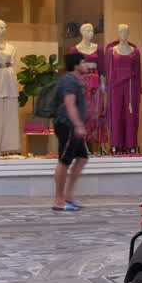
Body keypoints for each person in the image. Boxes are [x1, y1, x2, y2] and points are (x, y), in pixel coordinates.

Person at [52, 53, 91, 211]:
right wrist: (78, 125)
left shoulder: (76, 81)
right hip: (67, 125)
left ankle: (68, 196)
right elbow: (70, 104)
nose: (87, 65)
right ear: (76, 65)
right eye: (84, 62)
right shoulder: (69, 80)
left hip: (73, 125)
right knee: (64, 161)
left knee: (82, 157)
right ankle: (59, 200)